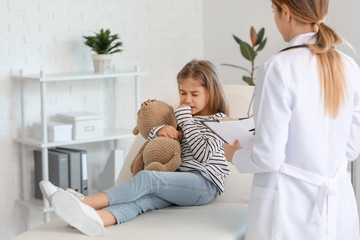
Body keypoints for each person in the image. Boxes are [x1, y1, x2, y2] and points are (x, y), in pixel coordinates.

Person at [40, 59, 230, 237]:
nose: (187, 99)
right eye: (183, 93)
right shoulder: (181, 116)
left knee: (149, 179)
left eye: (195, 94)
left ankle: (82, 203)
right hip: (180, 184)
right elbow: (157, 139)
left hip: (205, 185)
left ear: (211, 92)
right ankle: (93, 219)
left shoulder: (219, 121)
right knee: (142, 201)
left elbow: (202, 154)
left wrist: (185, 120)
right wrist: (160, 130)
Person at [223, 1, 360, 239]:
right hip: (339, 212)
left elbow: (268, 158)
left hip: (286, 212)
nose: (275, 20)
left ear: (286, 12)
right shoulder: (349, 66)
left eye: (274, 12)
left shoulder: (278, 67)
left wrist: (235, 154)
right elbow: (350, 149)